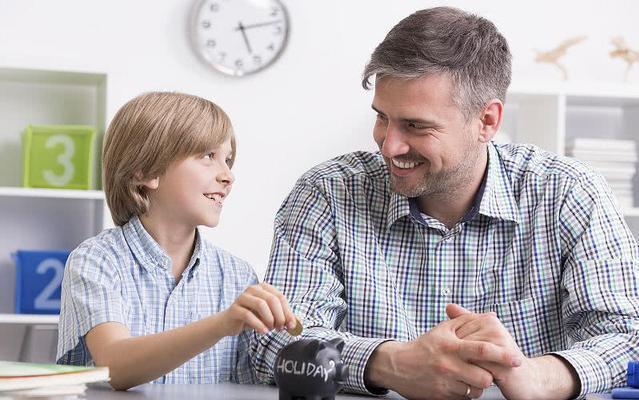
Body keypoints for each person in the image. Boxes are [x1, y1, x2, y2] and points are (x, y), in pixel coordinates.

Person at [250, 7, 639, 400]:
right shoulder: (327, 192)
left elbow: (628, 337)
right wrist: (390, 363)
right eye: (382, 117)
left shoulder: (569, 193)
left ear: (487, 120)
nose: (389, 145)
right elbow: (271, 341)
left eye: (416, 125)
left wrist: (536, 375)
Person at [56, 92, 297, 390]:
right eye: (209, 156)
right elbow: (113, 365)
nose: (228, 175)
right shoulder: (96, 260)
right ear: (147, 171)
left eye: (229, 160)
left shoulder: (237, 275)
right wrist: (222, 324)